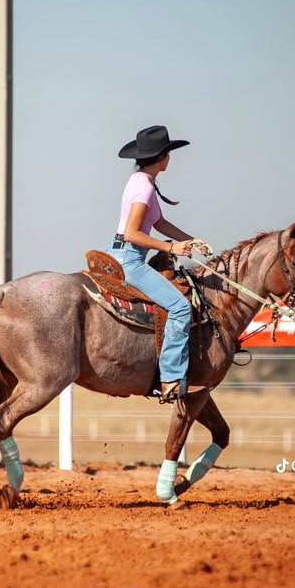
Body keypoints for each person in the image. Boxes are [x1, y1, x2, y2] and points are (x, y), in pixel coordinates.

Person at [107, 124, 208, 403]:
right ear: (164, 157)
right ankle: (171, 380)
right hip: (131, 258)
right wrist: (170, 247)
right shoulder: (145, 189)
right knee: (180, 308)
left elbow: (159, 223)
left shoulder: (139, 181)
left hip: (117, 252)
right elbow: (133, 232)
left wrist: (191, 240)